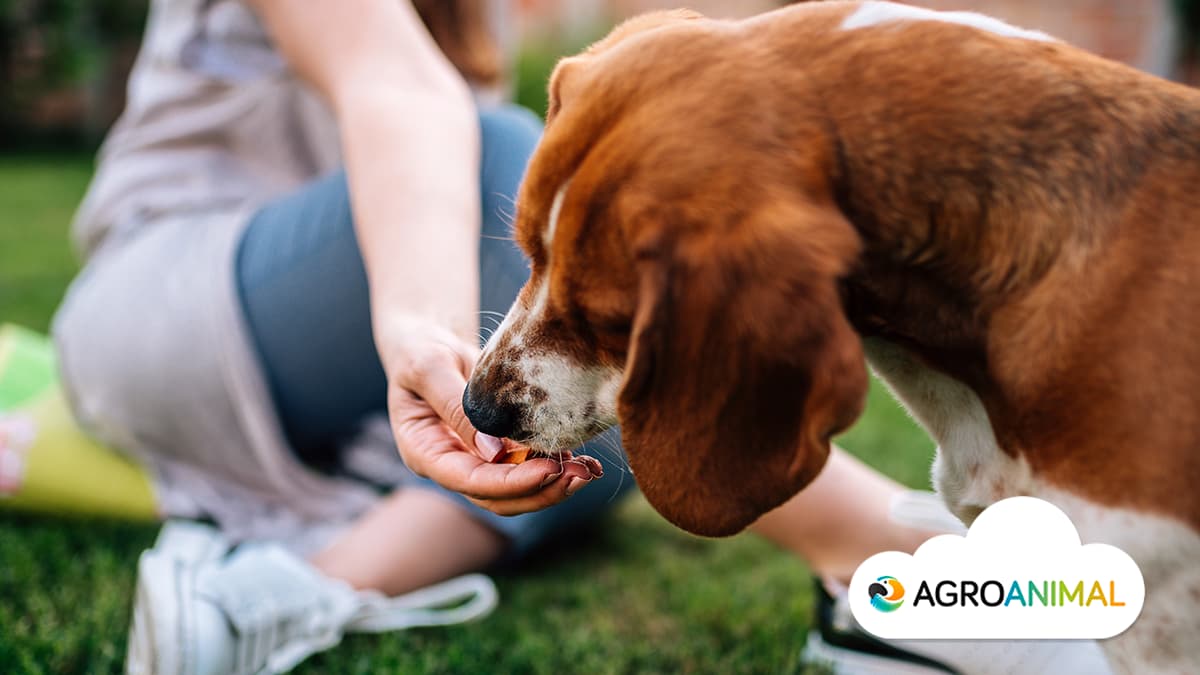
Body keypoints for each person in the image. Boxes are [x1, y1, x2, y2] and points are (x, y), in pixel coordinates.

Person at [52, 1, 1111, 673]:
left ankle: (268, 595)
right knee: (510, 158)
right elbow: (400, 90)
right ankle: (882, 555)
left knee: (562, 465)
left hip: (333, 362)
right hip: (169, 300)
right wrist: (421, 331)